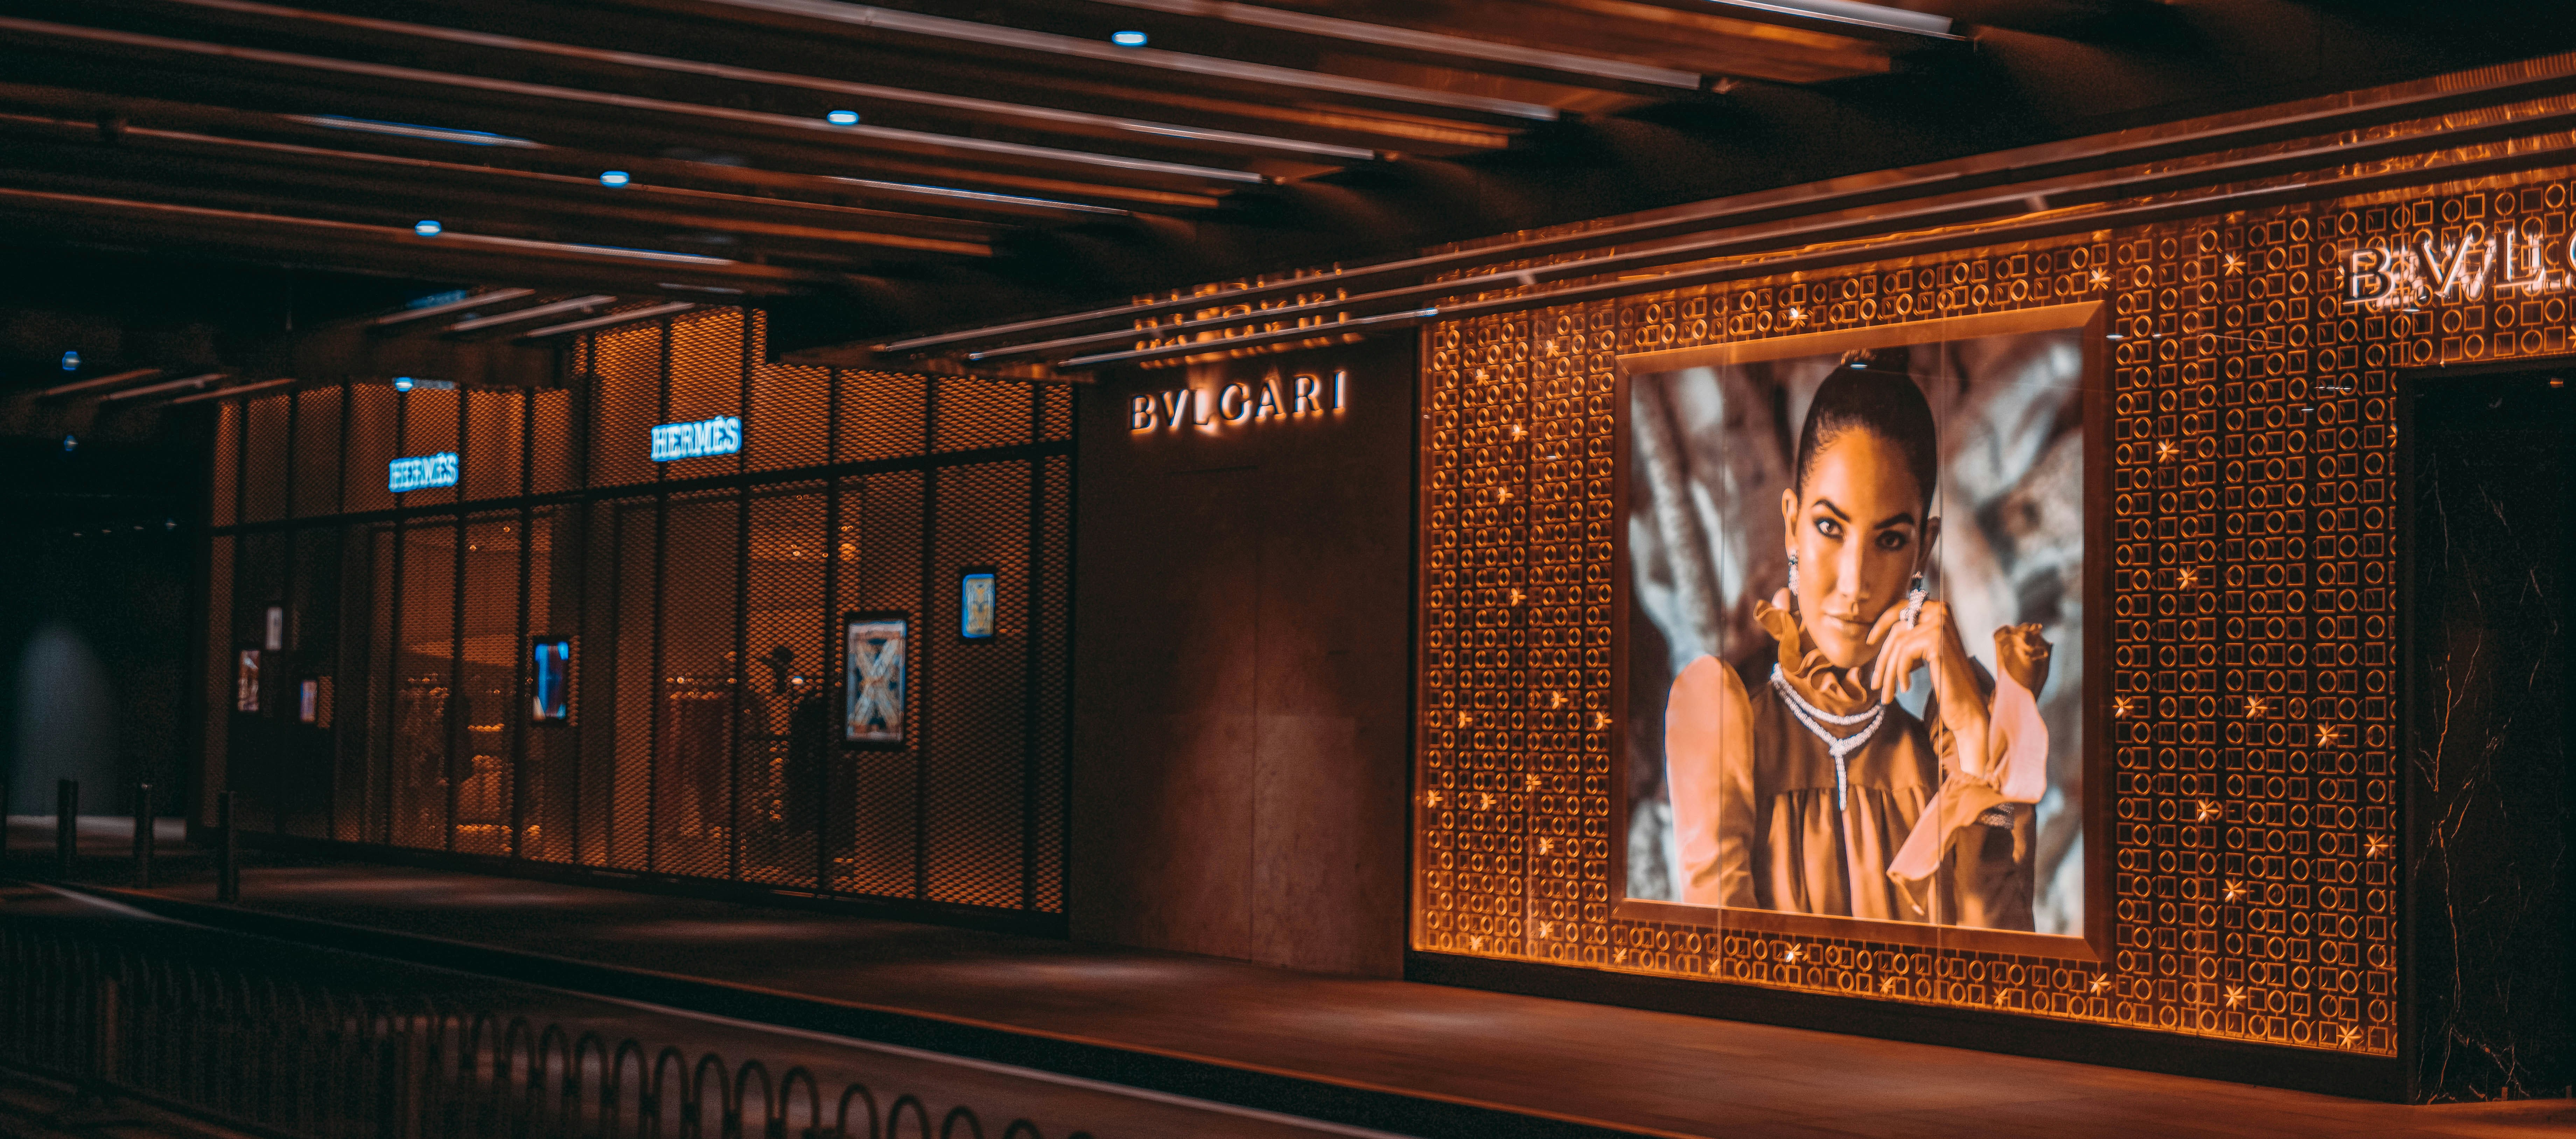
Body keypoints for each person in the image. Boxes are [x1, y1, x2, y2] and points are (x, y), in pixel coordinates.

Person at [1664, 351, 2054, 928]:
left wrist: (1974, 744)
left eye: (1890, 540)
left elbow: (1999, 968)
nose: (1854, 583)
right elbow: (1722, 968)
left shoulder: (1963, 763)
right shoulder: (1721, 726)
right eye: (1830, 527)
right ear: (1792, 525)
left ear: (1923, 550)